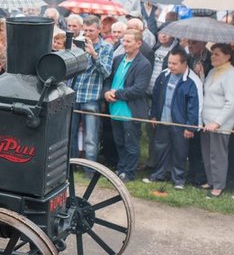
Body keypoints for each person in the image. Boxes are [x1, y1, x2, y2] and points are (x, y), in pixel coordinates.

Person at [144, 47, 202, 188]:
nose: (170, 66)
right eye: (169, 62)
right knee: (160, 148)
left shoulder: (193, 81)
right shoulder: (163, 75)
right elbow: (156, 96)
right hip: (163, 120)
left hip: (180, 124)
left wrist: (190, 127)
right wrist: (154, 115)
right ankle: (158, 174)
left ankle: (178, 179)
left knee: (179, 152)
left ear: (184, 63)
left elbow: (195, 106)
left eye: (174, 63)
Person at [104, 30, 151, 181]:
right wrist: (106, 92)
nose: (124, 44)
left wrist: (116, 94)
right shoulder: (117, 59)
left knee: (131, 144)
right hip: (115, 109)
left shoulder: (144, 64)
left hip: (131, 112)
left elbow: (139, 89)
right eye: (123, 41)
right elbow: (108, 80)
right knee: (119, 142)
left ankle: (129, 173)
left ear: (138, 43)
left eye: (128, 41)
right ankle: (121, 168)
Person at [69, 16, 114, 167]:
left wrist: (94, 54)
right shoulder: (78, 44)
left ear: (99, 30)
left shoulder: (106, 47)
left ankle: (90, 170)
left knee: (91, 137)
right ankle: (71, 167)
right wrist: (72, 52)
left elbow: (106, 72)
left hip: (91, 97)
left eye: (91, 30)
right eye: (85, 30)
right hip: (74, 94)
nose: (87, 33)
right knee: (70, 134)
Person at [200, 43, 234, 198]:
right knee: (207, 153)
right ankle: (211, 180)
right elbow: (207, 92)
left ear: (227, 56)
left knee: (218, 155)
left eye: (217, 54)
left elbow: (232, 103)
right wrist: (201, 75)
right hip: (206, 120)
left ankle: (218, 185)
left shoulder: (232, 75)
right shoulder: (212, 71)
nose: (212, 57)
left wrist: (217, 122)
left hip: (220, 123)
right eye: (212, 54)